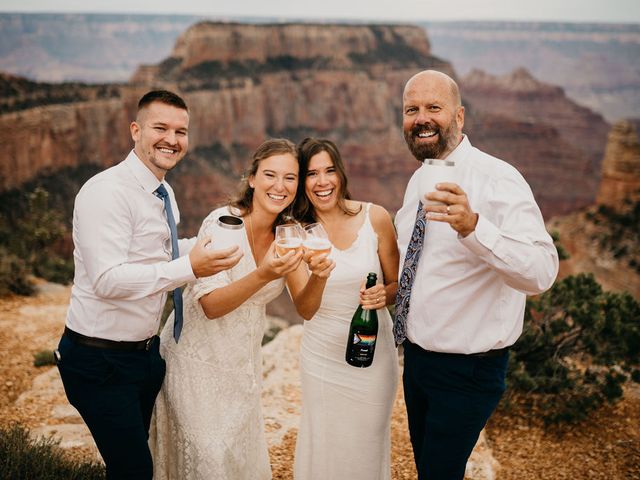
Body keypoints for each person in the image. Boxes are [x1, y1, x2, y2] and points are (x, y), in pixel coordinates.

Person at [55, 90, 243, 480]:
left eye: (181, 131)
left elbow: (158, 254)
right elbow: (107, 280)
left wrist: (205, 246)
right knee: (135, 471)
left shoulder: (163, 190)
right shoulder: (107, 193)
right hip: (98, 360)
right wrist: (190, 267)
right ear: (135, 130)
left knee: (132, 464)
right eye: (161, 128)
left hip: (143, 357)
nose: (171, 140)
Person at [394, 69, 560, 480]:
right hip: (417, 362)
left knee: (437, 473)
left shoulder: (498, 178)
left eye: (434, 107)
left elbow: (541, 272)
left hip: (468, 369)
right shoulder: (420, 178)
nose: (421, 118)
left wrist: (472, 226)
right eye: (411, 109)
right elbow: (426, 265)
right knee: (429, 468)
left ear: (460, 116)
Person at [150, 138, 303, 480]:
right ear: (252, 178)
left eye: (290, 178)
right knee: (208, 460)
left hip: (242, 369)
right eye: (270, 175)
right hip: (195, 363)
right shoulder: (223, 223)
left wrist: (319, 276)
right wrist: (264, 273)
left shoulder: (288, 234)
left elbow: (306, 306)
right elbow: (210, 306)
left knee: (235, 459)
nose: (279, 186)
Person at [288, 137, 400, 480]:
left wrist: (385, 294)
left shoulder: (375, 217)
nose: (323, 182)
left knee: (366, 444)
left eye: (329, 171)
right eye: (312, 174)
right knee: (326, 444)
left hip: (373, 353)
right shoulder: (295, 232)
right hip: (322, 355)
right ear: (301, 181)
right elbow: (304, 309)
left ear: (341, 173)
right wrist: (319, 276)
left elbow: (398, 285)